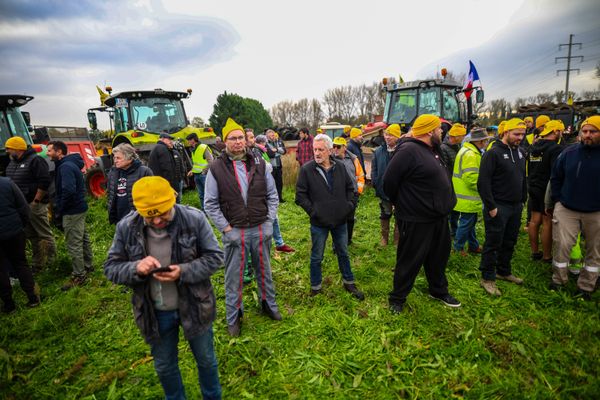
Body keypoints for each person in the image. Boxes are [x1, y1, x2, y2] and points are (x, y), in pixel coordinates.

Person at [104, 176, 223, 399]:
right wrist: (135, 268)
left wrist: (184, 271)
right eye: (150, 216)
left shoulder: (194, 219)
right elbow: (111, 267)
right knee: (165, 367)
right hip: (154, 313)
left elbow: (215, 257)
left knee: (206, 360)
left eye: (163, 213)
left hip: (195, 305)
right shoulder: (126, 227)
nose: (158, 220)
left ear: (173, 199)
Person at [205, 118, 281, 337]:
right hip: (235, 230)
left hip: (260, 227)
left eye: (240, 137)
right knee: (234, 277)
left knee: (264, 271)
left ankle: (269, 305)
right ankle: (234, 317)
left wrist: (268, 222)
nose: (238, 142)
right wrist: (226, 229)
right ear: (225, 141)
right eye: (233, 138)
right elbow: (210, 203)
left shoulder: (259, 163)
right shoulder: (216, 168)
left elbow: (272, 196)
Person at [383, 114, 461, 313]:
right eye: (438, 129)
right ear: (429, 131)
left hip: (438, 217)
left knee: (438, 257)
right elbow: (389, 183)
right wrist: (404, 203)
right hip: (417, 219)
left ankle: (438, 290)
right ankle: (397, 299)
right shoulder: (408, 151)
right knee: (409, 259)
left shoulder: (433, 150)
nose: (441, 132)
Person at [295, 134, 364, 300]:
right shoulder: (307, 169)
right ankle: (316, 287)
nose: (317, 153)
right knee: (317, 256)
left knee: (343, 253)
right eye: (315, 149)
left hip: (340, 221)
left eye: (321, 149)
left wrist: (348, 206)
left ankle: (349, 282)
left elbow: (350, 188)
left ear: (330, 150)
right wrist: (314, 212)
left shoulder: (340, 167)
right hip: (319, 223)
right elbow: (300, 196)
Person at [549, 116, 600, 300]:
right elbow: (556, 177)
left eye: (593, 131)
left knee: (594, 250)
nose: (587, 135)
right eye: (584, 131)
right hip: (567, 208)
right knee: (562, 245)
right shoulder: (569, 153)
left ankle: (586, 286)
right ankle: (558, 280)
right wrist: (557, 201)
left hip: (596, 212)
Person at [477, 118, 527, 296]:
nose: (520, 137)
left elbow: (523, 177)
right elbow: (483, 182)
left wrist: (523, 199)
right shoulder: (493, 153)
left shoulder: (521, 152)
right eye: (516, 134)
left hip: (515, 207)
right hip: (498, 206)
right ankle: (487, 278)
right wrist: (491, 206)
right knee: (493, 242)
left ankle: (503, 271)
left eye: (522, 134)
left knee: (510, 240)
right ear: (506, 132)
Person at [4, 136, 56, 273]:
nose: (7, 152)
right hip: (21, 206)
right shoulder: (13, 162)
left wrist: (36, 201)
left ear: (17, 148)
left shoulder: (35, 160)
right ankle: (38, 264)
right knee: (31, 236)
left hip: (35, 205)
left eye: (9, 149)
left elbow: (44, 181)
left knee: (44, 234)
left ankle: (53, 263)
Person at [47, 141, 94, 291]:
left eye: (49, 151)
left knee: (74, 243)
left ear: (59, 152)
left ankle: (79, 275)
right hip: (78, 208)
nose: (47, 153)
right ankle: (88, 266)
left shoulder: (65, 167)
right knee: (83, 238)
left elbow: (68, 190)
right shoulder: (68, 164)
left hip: (72, 210)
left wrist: (60, 208)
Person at [249, 133, 295, 254]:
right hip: (257, 191)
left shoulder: (259, 151)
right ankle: (262, 249)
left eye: (253, 137)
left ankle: (279, 243)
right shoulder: (253, 152)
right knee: (265, 220)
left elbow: (269, 162)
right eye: (249, 137)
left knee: (274, 217)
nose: (252, 140)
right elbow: (265, 166)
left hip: (267, 186)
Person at [0, 176, 40, 313]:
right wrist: (21, 225)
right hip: (14, 232)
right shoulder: (7, 183)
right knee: (21, 263)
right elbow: (23, 206)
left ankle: (9, 305)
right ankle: (33, 297)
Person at [527, 120, 564, 262]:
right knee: (547, 221)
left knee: (534, 220)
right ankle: (547, 256)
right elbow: (557, 171)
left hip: (533, 186)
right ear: (555, 132)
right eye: (560, 131)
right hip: (546, 188)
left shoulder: (534, 146)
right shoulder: (556, 149)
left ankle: (535, 252)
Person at [452, 129, 490, 255]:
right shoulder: (471, 154)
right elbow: (471, 178)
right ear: (480, 141)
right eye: (485, 141)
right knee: (466, 222)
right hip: (468, 195)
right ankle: (458, 248)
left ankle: (473, 246)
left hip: (465, 195)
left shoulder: (469, 151)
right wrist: (484, 189)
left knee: (470, 222)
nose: (486, 143)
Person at [106, 143, 153, 224]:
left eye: (118, 158)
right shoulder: (113, 172)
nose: (115, 160)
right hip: (119, 219)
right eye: (114, 157)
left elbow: (152, 195)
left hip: (138, 219)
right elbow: (110, 192)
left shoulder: (144, 171)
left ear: (129, 158)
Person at [371, 124, 402, 246]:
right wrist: (375, 181)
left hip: (399, 191)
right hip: (383, 190)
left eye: (391, 135)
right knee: (385, 213)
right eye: (386, 134)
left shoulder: (402, 151)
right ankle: (384, 238)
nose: (388, 137)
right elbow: (374, 168)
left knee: (399, 215)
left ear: (397, 136)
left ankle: (397, 239)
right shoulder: (379, 151)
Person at [331, 136, 364, 245]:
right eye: (333, 146)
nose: (335, 149)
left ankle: (348, 240)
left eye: (338, 147)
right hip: (336, 195)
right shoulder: (330, 160)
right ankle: (337, 244)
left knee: (350, 219)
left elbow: (360, 175)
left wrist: (358, 191)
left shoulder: (354, 158)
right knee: (337, 219)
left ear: (344, 147)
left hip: (352, 194)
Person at [441, 123, 467, 237]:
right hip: (448, 183)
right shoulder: (443, 148)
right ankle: (447, 231)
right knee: (448, 209)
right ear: (457, 137)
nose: (464, 139)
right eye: (462, 136)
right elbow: (444, 168)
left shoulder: (458, 146)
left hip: (457, 183)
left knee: (455, 208)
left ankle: (454, 231)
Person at [148, 133, 185, 202]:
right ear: (162, 139)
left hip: (159, 183)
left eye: (171, 140)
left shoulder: (157, 148)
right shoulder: (162, 149)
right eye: (169, 139)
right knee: (173, 205)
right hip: (165, 185)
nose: (171, 141)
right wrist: (171, 187)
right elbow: (167, 169)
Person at [186, 132, 214, 209]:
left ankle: (211, 210)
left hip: (204, 175)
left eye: (188, 140)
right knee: (201, 194)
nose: (187, 142)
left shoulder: (203, 147)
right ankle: (204, 210)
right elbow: (197, 163)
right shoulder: (193, 150)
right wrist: (192, 171)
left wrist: (204, 172)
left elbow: (211, 161)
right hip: (197, 175)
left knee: (209, 194)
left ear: (193, 140)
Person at [265, 128, 286, 202]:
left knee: (279, 183)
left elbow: (284, 151)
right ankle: (272, 199)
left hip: (278, 166)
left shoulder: (278, 142)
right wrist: (278, 152)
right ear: (267, 136)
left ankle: (280, 198)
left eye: (273, 135)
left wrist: (276, 150)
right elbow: (270, 154)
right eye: (271, 135)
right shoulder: (266, 144)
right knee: (271, 184)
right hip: (271, 168)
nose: (273, 136)